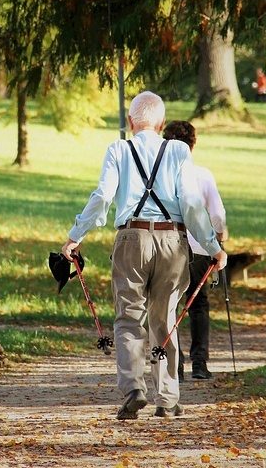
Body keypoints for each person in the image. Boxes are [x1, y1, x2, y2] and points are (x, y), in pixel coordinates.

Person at [61, 91, 228, 420]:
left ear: (130, 123)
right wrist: (214, 247)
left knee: (128, 317)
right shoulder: (179, 151)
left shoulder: (118, 149)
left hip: (131, 239)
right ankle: (167, 398)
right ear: (162, 123)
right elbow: (193, 207)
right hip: (172, 241)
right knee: (165, 319)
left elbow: (102, 197)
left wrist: (74, 236)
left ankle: (134, 389)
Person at [161, 120, 227, 382]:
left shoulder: (161, 176)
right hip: (200, 248)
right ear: (193, 145)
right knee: (198, 304)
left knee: (170, 304)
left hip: (169, 246)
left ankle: (174, 365)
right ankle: (199, 363)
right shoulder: (203, 175)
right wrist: (220, 235)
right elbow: (218, 213)